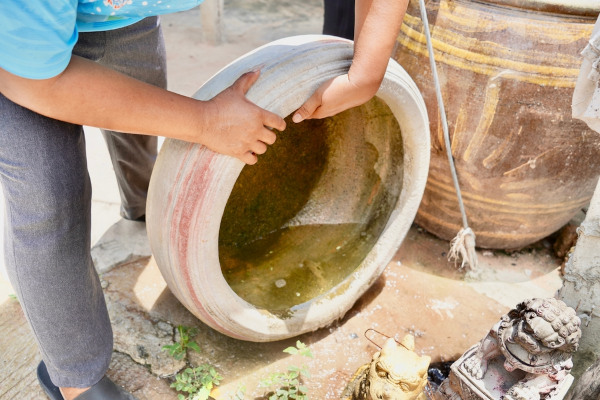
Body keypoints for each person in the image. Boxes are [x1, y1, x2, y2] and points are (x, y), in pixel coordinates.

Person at [0, 0, 408, 398]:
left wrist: (368, 71)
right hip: (12, 54)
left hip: (120, 15)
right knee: (49, 200)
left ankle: (140, 202)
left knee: (142, 108)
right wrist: (205, 121)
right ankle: (76, 377)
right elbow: (31, 81)